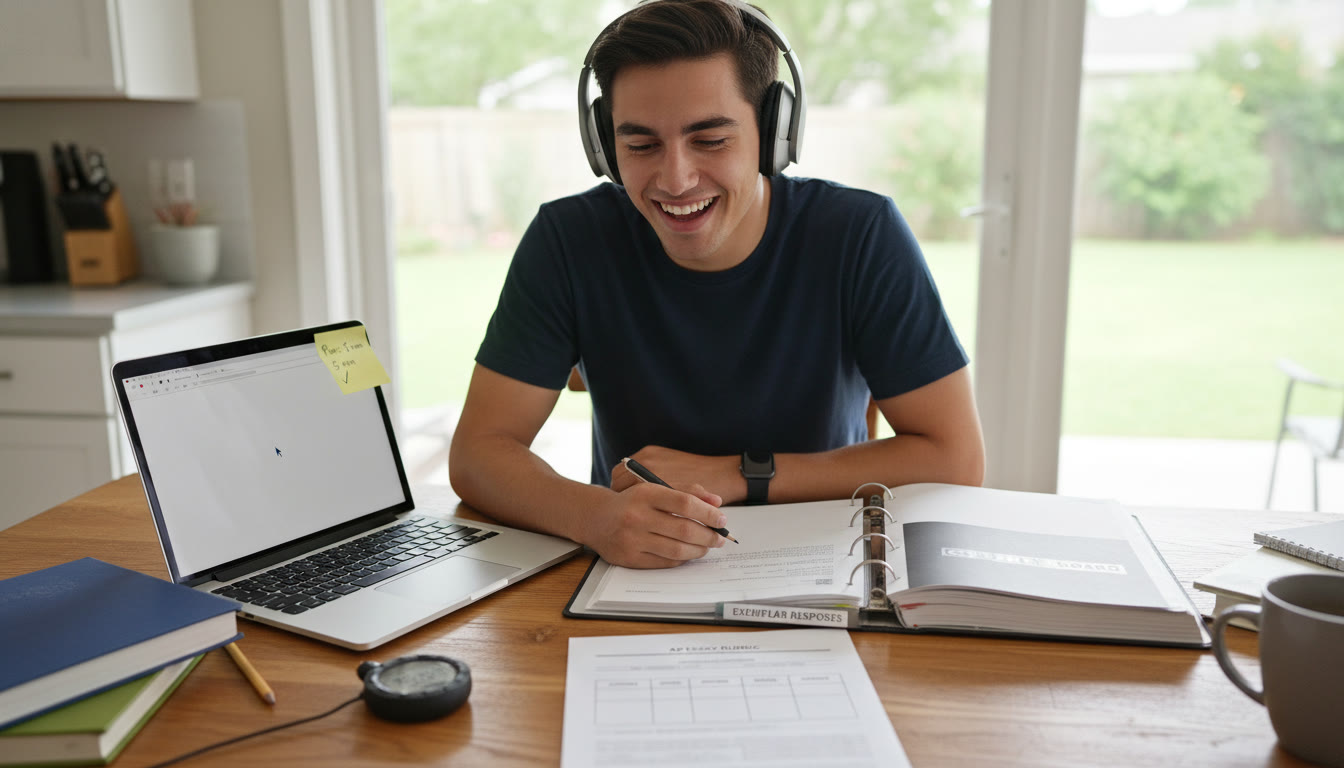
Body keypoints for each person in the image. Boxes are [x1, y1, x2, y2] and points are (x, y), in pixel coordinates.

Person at [449, 0, 984, 569]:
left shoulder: (860, 234)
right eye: (641, 145)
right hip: (636, 566)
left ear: (773, 134)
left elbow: (955, 459)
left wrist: (736, 474)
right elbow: (480, 453)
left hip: (821, 563)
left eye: (710, 140)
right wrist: (595, 516)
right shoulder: (568, 239)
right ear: (605, 147)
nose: (675, 179)